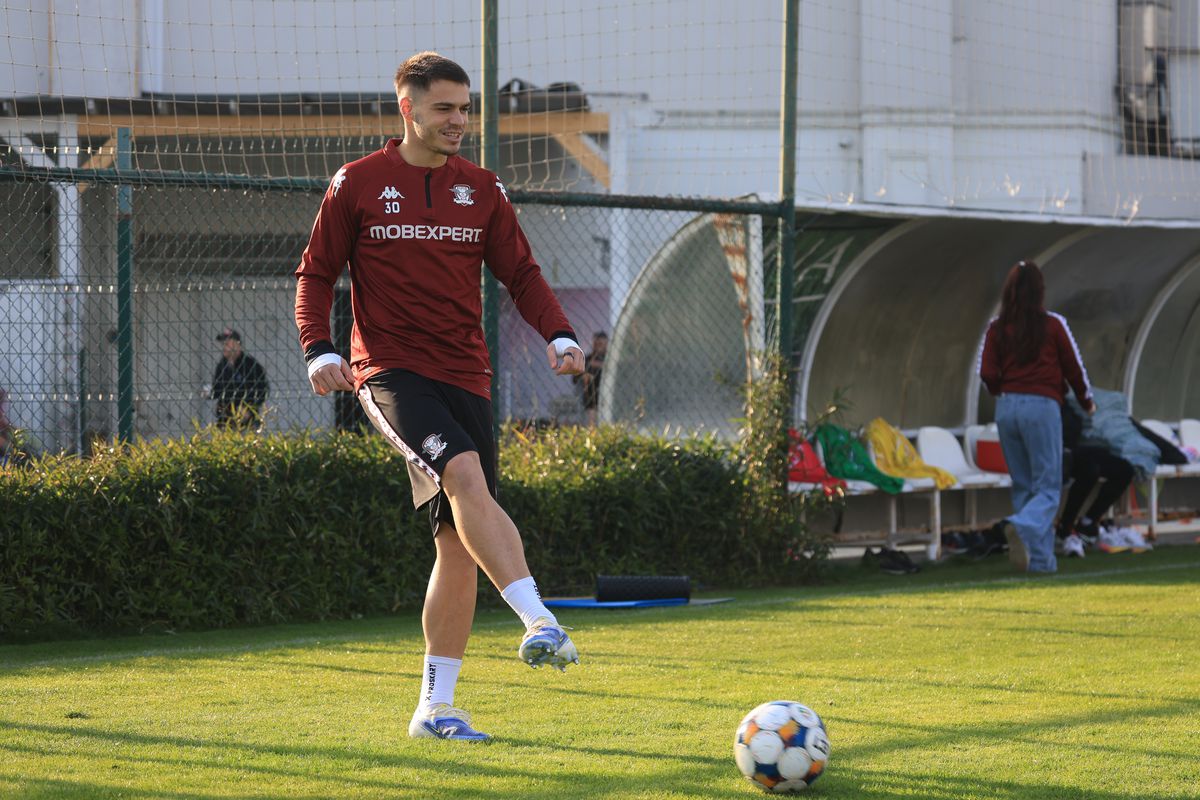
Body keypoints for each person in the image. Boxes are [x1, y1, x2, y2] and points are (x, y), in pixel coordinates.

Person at [294, 52, 585, 742]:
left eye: (465, 109)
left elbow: (522, 274)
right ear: (409, 109)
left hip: (467, 376)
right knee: (462, 472)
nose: (458, 121)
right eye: (444, 108)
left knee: (457, 545)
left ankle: (435, 709)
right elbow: (316, 273)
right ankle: (539, 619)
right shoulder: (357, 183)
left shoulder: (481, 188)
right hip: (390, 372)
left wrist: (559, 333)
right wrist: (320, 348)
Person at [978, 260, 1095, 573]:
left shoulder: (996, 327)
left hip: (1007, 407)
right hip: (1042, 406)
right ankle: (1021, 524)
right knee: (1047, 487)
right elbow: (1073, 367)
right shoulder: (1053, 324)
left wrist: (1002, 389)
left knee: (1024, 486)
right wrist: (1086, 401)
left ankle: (1041, 563)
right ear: (1040, 291)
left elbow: (986, 372)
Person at [1055, 401, 1135, 558]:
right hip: (1057, 452)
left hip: (1078, 448)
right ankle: (1065, 529)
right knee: (1089, 470)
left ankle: (1088, 523)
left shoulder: (1070, 400)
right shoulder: (1041, 402)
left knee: (1124, 470)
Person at [211, 328, 269, 429]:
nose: (224, 346)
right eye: (223, 344)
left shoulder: (250, 365)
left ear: (237, 344)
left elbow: (263, 390)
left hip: (247, 419)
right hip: (226, 419)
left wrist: (249, 409)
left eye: (227, 343)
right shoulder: (222, 366)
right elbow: (217, 389)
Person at [572, 331, 607, 426]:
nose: (598, 347)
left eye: (601, 344)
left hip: (607, 397)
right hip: (592, 401)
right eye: (596, 344)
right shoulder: (587, 359)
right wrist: (587, 369)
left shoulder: (609, 359)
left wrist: (601, 366)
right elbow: (575, 378)